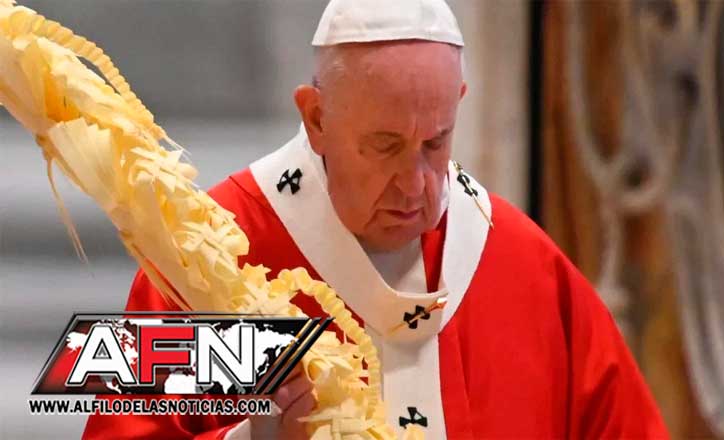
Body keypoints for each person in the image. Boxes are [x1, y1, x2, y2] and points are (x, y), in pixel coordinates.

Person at [84, 0, 669, 438]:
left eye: (435, 143)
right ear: (316, 119)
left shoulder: (521, 265)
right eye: (385, 146)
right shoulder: (209, 255)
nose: (416, 185)